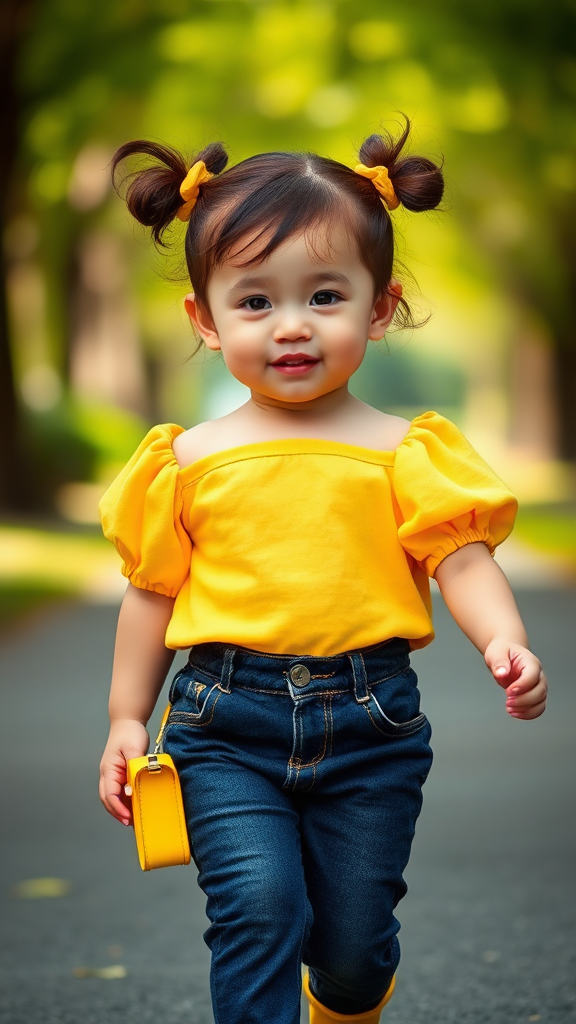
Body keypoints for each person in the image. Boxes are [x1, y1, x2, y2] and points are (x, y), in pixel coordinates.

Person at [98, 120, 547, 1024]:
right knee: (258, 910)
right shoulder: (185, 462)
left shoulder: (404, 453)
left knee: (351, 943)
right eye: (255, 302)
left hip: (370, 724)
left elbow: (461, 559)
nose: (292, 326)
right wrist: (124, 716)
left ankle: (346, 996)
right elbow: (151, 594)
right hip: (222, 725)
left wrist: (506, 639)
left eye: (326, 295)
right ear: (207, 321)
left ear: (379, 308)